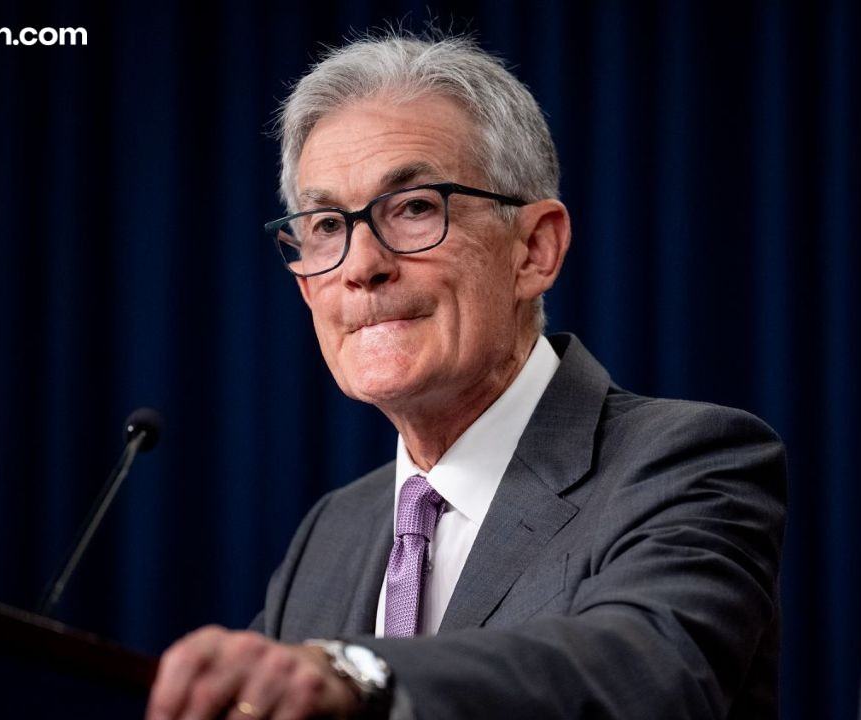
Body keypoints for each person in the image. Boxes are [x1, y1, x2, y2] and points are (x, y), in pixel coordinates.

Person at [146, 31, 786, 720]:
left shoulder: (688, 462)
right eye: (328, 224)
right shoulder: (331, 534)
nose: (361, 265)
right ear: (306, 285)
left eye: (415, 208)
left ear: (534, 249)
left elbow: (645, 669)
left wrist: (360, 672)